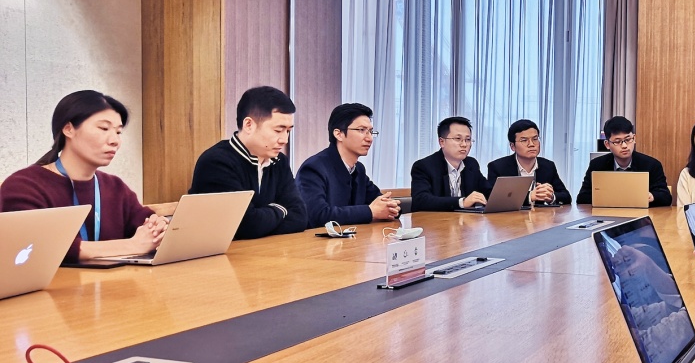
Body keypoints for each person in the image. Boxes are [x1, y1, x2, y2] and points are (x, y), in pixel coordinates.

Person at [0, 90, 166, 262]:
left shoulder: (115, 187)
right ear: (68, 129)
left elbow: (145, 222)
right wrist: (131, 246)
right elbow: (36, 246)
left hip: (113, 279)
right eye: (104, 128)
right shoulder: (23, 186)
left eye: (118, 132)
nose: (114, 141)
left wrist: (158, 228)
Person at [189, 85, 308, 239]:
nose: (285, 139)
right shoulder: (217, 162)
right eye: (278, 130)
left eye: (288, 131)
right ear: (249, 125)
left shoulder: (279, 161)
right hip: (219, 252)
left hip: (263, 250)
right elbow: (245, 225)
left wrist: (261, 218)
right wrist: (282, 210)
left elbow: (300, 216)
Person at [296, 103, 399, 227]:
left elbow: (382, 203)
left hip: (354, 237)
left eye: (371, 132)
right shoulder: (314, 168)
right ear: (338, 134)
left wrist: (392, 207)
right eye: (361, 130)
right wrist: (370, 212)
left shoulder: (358, 169)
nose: (369, 138)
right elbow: (317, 215)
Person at [576, 116, 672, 207]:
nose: (624, 146)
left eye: (628, 139)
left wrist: (652, 196)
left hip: (641, 216)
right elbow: (582, 198)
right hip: (607, 215)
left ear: (634, 138)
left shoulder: (651, 165)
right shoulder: (597, 165)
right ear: (607, 144)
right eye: (617, 142)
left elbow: (666, 197)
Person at [486, 119, 572, 206]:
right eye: (524, 140)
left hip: (540, 215)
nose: (531, 144)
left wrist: (551, 196)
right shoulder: (498, 167)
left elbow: (566, 196)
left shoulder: (548, 166)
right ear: (512, 146)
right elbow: (494, 199)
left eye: (535, 139)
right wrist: (529, 197)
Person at [410, 116, 487, 211]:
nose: (464, 144)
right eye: (458, 139)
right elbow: (421, 200)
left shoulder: (471, 164)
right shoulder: (424, 166)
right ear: (442, 142)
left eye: (468, 139)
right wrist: (461, 202)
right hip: (435, 219)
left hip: (465, 219)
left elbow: (488, 191)